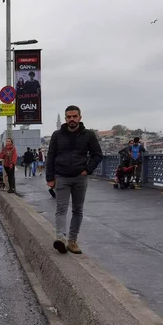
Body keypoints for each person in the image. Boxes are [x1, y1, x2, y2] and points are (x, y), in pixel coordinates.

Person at [46, 105, 103, 255]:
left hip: (80, 177)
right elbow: (50, 156)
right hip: (62, 176)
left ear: (80, 117)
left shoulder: (88, 135)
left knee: (77, 209)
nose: (72, 119)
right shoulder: (57, 135)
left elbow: (97, 155)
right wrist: (50, 178)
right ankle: (61, 239)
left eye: (74, 116)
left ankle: (72, 241)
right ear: (65, 119)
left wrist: (87, 169)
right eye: (69, 117)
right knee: (61, 208)